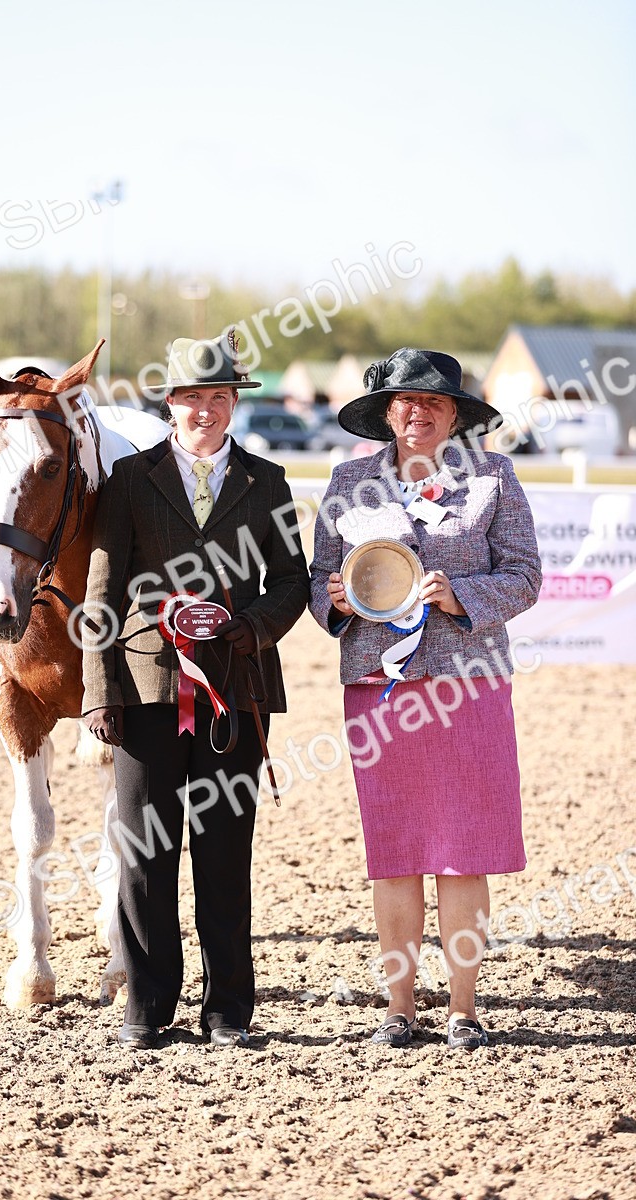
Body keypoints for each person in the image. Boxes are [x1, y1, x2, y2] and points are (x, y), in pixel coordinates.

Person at [82, 328, 309, 1051]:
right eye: (191, 398)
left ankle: (228, 1012)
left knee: (223, 852)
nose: (205, 410)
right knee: (146, 853)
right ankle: (147, 1007)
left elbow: (294, 582)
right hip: (147, 686)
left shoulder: (267, 482)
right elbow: (101, 589)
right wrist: (97, 690)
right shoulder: (130, 480)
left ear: (233, 403)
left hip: (235, 692)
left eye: (219, 397)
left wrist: (251, 630)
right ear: (170, 403)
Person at [309, 348, 542, 1050]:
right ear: (386, 413)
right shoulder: (348, 482)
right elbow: (322, 575)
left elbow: (526, 574)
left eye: (433, 403)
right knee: (396, 852)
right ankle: (399, 1007)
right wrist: (339, 601)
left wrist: (462, 595)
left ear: (453, 415)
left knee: (463, 852)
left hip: (467, 689)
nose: (418, 412)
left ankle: (463, 1009)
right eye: (405, 402)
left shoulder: (494, 476)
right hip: (380, 691)